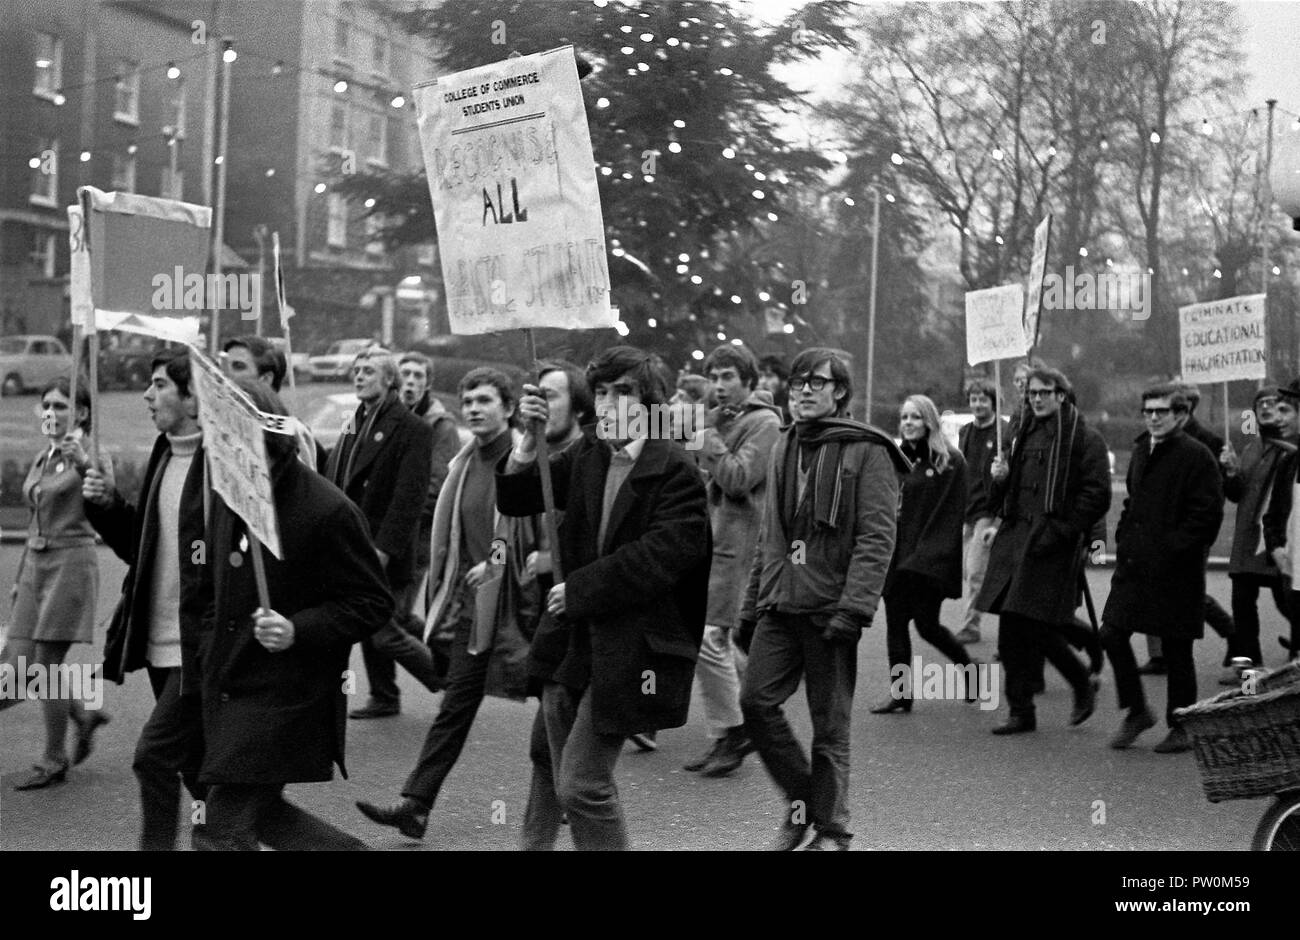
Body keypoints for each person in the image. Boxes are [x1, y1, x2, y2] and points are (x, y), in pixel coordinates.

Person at [500, 345, 711, 851]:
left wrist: (578, 590)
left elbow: (656, 559)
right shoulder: (589, 452)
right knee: (547, 763)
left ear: (649, 402)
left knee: (582, 784)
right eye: (601, 392)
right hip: (572, 641)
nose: (610, 404)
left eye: (624, 393)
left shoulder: (675, 469)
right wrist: (527, 446)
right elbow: (520, 498)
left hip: (634, 648)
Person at [195, 379, 393, 850]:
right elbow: (213, 593)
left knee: (220, 831)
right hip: (232, 688)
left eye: (225, 431)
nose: (214, 443)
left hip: (287, 697)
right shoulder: (232, 496)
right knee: (263, 819)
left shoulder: (326, 509)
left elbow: (372, 603)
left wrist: (296, 628)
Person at [355, 368, 538, 841]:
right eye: (469, 401)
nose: (474, 409)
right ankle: (415, 804)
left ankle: (569, 789)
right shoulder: (465, 461)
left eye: (485, 401)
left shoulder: (521, 461)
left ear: (509, 408)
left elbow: (526, 527)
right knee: (456, 704)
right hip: (476, 607)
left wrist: (496, 563)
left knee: (556, 702)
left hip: (524, 604)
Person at [738, 347, 905, 850]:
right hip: (779, 603)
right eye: (796, 382)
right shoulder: (784, 443)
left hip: (831, 610)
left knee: (829, 730)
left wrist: (855, 608)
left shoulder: (868, 449)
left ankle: (832, 831)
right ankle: (808, 802)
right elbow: (771, 531)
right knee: (755, 703)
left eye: (816, 382)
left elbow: (877, 537)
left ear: (840, 392)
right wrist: (751, 602)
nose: (803, 390)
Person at [82, 349, 209, 850]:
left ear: (192, 397)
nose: (147, 395)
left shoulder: (217, 462)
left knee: (153, 757)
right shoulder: (165, 450)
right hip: (159, 643)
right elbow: (141, 544)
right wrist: (108, 504)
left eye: (159, 385)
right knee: (199, 768)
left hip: (197, 647)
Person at [974, 366, 1109, 736]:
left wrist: (1061, 531)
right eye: (1031, 393)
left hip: (1050, 545)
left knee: (1036, 627)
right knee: (1012, 633)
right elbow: (1002, 495)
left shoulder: (1084, 438)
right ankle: (1022, 710)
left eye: (1044, 392)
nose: (1036, 398)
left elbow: (1096, 495)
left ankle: (1080, 682)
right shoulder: (1020, 433)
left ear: (1061, 395)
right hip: (1015, 540)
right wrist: (998, 480)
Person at [1102, 384, 1224, 753]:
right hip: (1135, 567)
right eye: (1148, 411)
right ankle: (1137, 710)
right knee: (1110, 633)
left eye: (1162, 411)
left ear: (1181, 415)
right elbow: (1132, 503)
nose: (1153, 417)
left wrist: (1173, 549)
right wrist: (1124, 539)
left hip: (1175, 571)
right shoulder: (1142, 450)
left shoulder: (1197, 456)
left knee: (1176, 649)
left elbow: (1206, 517)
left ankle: (1182, 724)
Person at [1, 377, 109, 790]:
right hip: (34, 565)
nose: (50, 413)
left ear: (81, 413)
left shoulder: (89, 454)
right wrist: (18, 577)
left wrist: (82, 461)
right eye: (46, 405)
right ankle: (82, 714)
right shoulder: (44, 456)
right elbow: (34, 516)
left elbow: (105, 493)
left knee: (45, 666)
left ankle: (53, 757)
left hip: (70, 563)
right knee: (17, 666)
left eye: (61, 406)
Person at [681, 345, 781, 777]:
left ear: (749, 381)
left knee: (710, 639)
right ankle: (736, 728)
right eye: (714, 377)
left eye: (727, 377)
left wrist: (708, 437)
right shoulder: (723, 419)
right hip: (710, 539)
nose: (718, 385)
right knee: (714, 641)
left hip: (739, 542)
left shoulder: (765, 422)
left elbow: (739, 479)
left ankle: (736, 730)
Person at [323, 346, 438, 719]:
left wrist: (383, 552)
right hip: (350, 544)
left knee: (383, 631)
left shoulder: (412, 428)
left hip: (380, 548)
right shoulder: (357, 419)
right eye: (356, 370)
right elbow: (338, 472)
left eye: (368, 371)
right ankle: (385, 695)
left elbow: (408, 499)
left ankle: (452, 682)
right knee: (376, 623)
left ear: (389, 379)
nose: (358, 376)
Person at [872, 394, 976, 713]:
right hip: (896, 555)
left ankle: (970, 672)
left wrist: (925, 556)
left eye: (915, 417)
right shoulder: (896, 458)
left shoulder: (950, 461)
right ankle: (901, 694)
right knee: (896, 623)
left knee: (927, 626)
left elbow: (949, 514)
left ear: (929, 421)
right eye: (904, 418)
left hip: (927, 559)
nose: (908, 423)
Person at [1134, 381, 1235, 675]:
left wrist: (1230, 469)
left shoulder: (1208, 442)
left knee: (1186, 593)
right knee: (1152, 587)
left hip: (1185, 535)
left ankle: (1230, 632)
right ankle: (1158, 654)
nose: (1155, 416)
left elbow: (1222, 493)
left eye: (1164, 409)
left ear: (1184, 409)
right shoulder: (1149, 440)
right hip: (1153, 532)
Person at [1218, 385, 1298, 682]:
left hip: (1277, 542)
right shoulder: (1252, 446)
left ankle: (1295, 659)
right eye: (1260, 404)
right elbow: (1237, 494)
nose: (1266, 408)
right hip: (1248, 540)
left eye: (1273, 404)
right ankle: (1249, 672)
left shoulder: (1291, 448)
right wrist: (1230, 472)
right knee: (1242, 604)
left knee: (1289, 601)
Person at [396, 351, 465, 651]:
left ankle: (443, 660)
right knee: (377, 616)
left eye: (418, 376)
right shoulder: (392, 417)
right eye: (405, 374)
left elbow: (437, 485)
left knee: (394, 616)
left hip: (419, 535)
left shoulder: (442, 426)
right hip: (389, 533)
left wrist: (399, 520)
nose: (410, 382)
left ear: (428, 384)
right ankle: (384, 696)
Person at [955, 378, 1013, 645]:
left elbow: (1011, 475)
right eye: (974, 399)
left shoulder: (1003, 432)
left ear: (993, 402)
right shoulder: (965, 431)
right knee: (967, 571)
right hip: (965, 508)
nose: (977, 404)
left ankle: (971, 625)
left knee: (976, 571)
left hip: (987, 511)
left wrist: (1003, 475)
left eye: (983, 399)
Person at [220, 335, 321, 469]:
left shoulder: (290, 432)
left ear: (266, 379)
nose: (226, 374)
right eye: (224, 365)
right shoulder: (215, 422)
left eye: (238, 367)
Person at [1263, 379, 1300, 660]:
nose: (1277, 418)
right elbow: (1273, 517)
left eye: (1285, 411)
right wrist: (1275, 547)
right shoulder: (1290, 462)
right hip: (1293, 575)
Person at [758, 354, 791, 423]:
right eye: (760, 376)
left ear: (784, 381)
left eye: (769, 376)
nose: (762, 381)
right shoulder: (753, 408)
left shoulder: (792, 413)